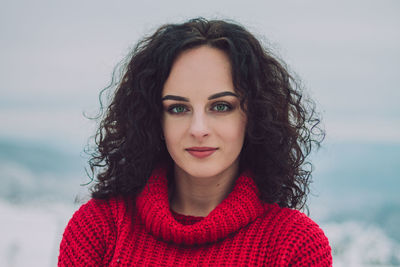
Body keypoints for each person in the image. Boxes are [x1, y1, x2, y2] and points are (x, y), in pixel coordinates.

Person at [58, 18, 332, 266]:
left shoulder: (294, 245)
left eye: (221, 106)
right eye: (178, 108)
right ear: (155, 120)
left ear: (255, 115)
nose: (198, 129)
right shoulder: (100, 228)